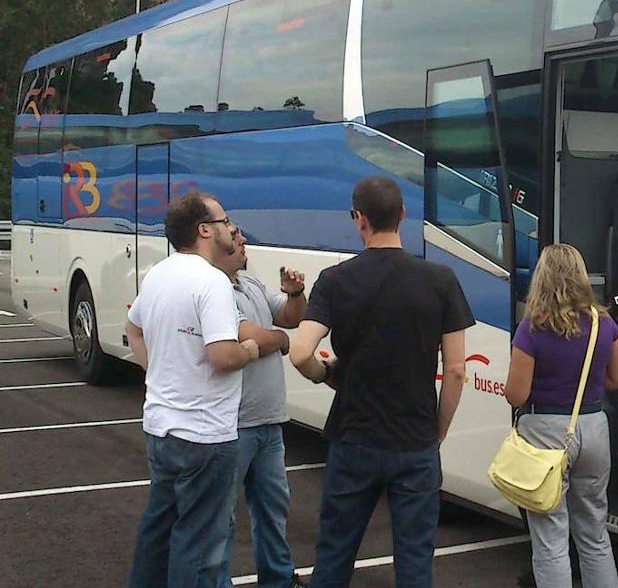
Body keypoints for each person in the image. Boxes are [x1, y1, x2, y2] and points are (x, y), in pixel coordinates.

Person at [290, 176, 473, 588]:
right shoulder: (440, 279)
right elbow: (458, 370)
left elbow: (300, 352)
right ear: (403, 215)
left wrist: (326, 374)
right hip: (415, 441)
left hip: (354, 437)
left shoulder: (335, 280)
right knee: (414, 562)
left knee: (335, 555)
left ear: (359, 219)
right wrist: (437, 431)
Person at [125, 193, 261, 588]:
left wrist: (159, 372)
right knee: (200, 545)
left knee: (158, 532)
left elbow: (133, 328)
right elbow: (222, 355)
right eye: (224, 220)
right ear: (204, 230)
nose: (230, 228)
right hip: (205, 435)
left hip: (161, 427)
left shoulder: (158, 274)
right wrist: (250, 350)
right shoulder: (212, 281)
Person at [504, 243, 618, 588]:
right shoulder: (604, 324)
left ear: (541, 279)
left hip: (545, 434)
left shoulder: (532, 328)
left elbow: (516, 394)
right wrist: (588, 387)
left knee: (551, 537)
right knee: (594, 532)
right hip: (592, 427)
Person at [215, 225, 309, 588]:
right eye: (236, 235)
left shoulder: (249, 283)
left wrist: (295, 293)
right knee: (222, 516)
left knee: (273, 509)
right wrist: (282, 341)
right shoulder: (214, 288)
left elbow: (291, 315)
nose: (242, 241)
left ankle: (278, 578)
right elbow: (246, 335)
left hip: (269, 420)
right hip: (234, 423)